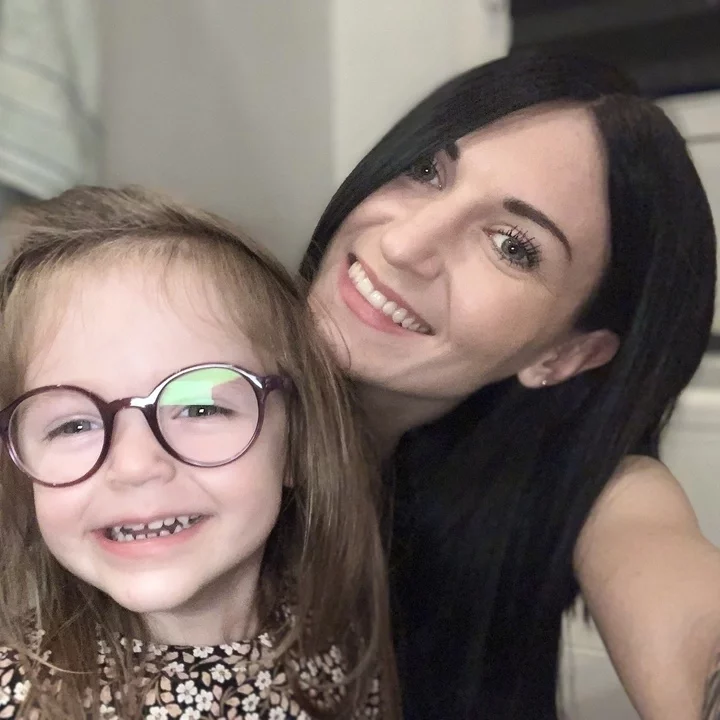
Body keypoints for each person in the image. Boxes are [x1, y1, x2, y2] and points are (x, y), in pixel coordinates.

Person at [303, 51, 720, 719]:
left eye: (511, 246)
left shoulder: (579, 491)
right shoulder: (176, 387)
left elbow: (680, 598)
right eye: (425, 171)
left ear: (568, 354)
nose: (405, 245)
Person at [0, 187, 398, 719]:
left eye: (200, 408)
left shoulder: (338, 644)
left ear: (297, 445)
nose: (135, 466)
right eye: (73, 424)